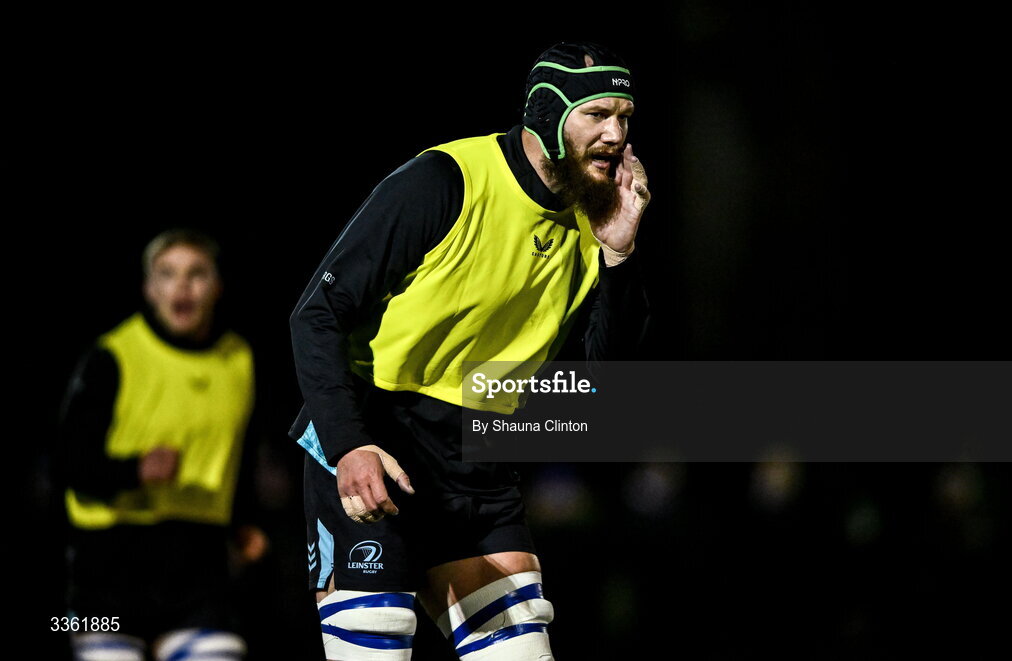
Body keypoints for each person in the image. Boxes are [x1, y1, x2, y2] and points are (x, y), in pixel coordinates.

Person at [289, 41, 650, 660]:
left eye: (625, 117)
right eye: (597, 114)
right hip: (379, 436)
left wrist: (617, 256)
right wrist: (349, 444)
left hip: (480, 454)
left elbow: (593, 382)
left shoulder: (597, 216)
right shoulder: (445, 178)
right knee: (376, 642)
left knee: (519, 653)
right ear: (547, 114)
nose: (616, 134)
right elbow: (316, 313)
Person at [60, 229, 265, 661]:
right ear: (149, 289)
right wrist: (134, 471)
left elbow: (240, 457)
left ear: (217, 286)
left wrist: (246, 522)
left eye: (196, 274)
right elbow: (66, 464)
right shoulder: (112, 355)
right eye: (167, 274)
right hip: (106, 572)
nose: (182, 286)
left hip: (199, 567)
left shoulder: (239, 359)